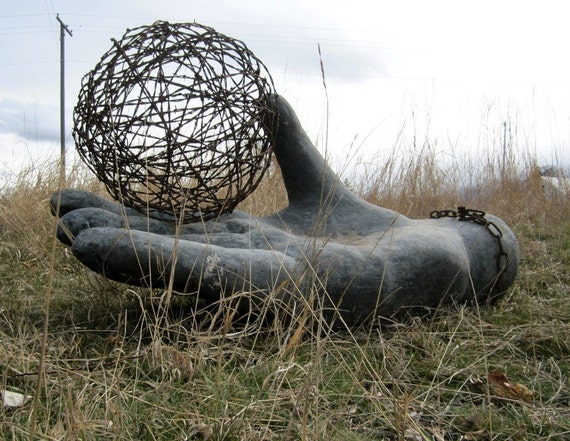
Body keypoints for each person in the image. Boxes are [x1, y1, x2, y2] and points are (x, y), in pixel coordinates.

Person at [51, 95, 519, 326]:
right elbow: (338, 213)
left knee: (244, 237)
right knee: (234, 229)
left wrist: (460, 249)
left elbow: (392, 264)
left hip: (463, 252)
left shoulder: (438, 249)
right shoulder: (385, 220)